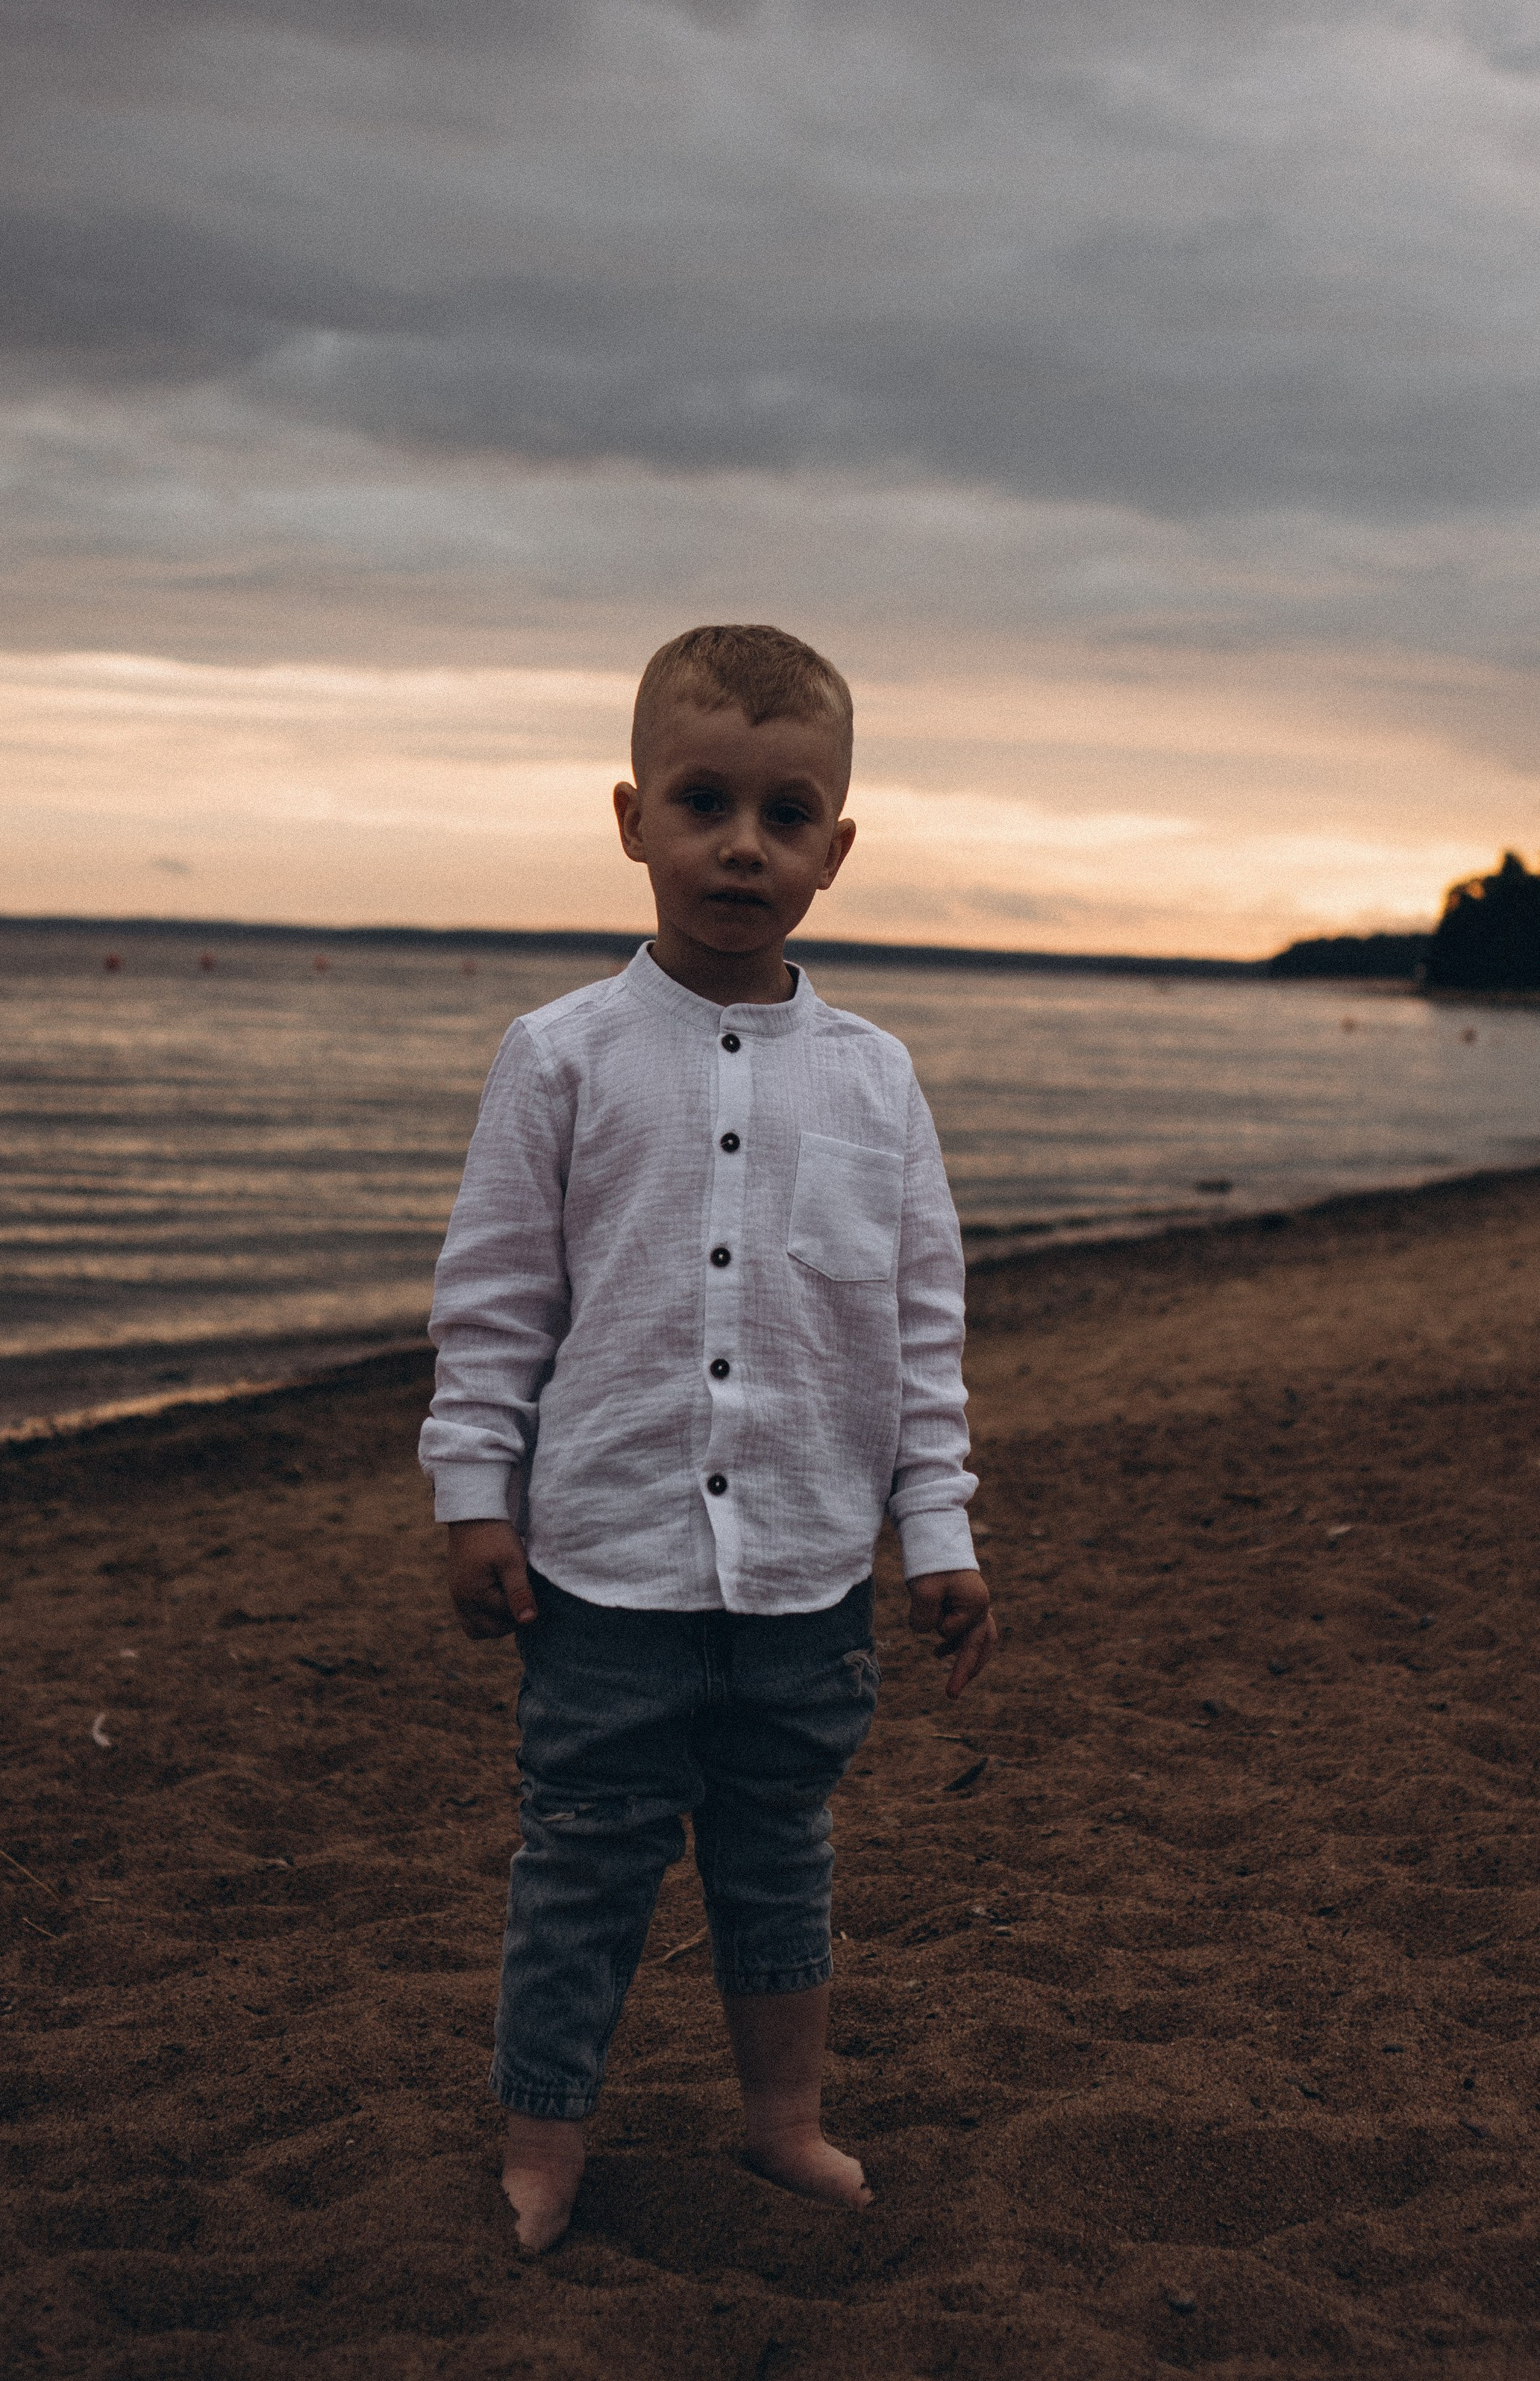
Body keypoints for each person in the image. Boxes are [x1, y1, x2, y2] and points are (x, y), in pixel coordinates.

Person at [419, 623, 997, 2256]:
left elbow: (919, 1331)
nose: (744, 845)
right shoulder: (560, 1057)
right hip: (603, 1568)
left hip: (807, 1575)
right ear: (631, 822)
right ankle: (544, 2145)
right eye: (703, 803)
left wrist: (938, 1535)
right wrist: (473, 1497)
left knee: (777, 1858)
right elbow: (494, 1299)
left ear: (836, 849)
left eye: (785, 815)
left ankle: (782, 2123)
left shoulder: (878, 1082)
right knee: (584, 1864)